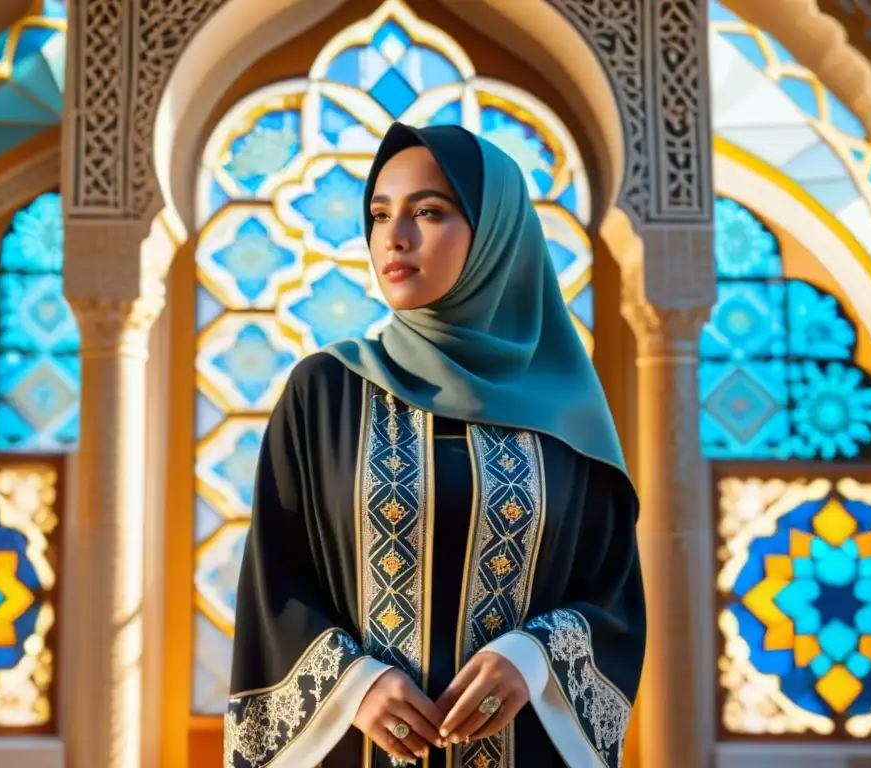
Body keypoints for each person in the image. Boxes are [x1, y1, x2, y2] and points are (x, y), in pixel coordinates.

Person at [225, 122, 645, 768]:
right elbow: (275, 581)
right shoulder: (327, 391)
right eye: (379, 213)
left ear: (496, 232)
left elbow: (612, 593)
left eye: (429, 212)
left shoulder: (568, 414)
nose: (394, 236)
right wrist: (355, 685)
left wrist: (533, 658)